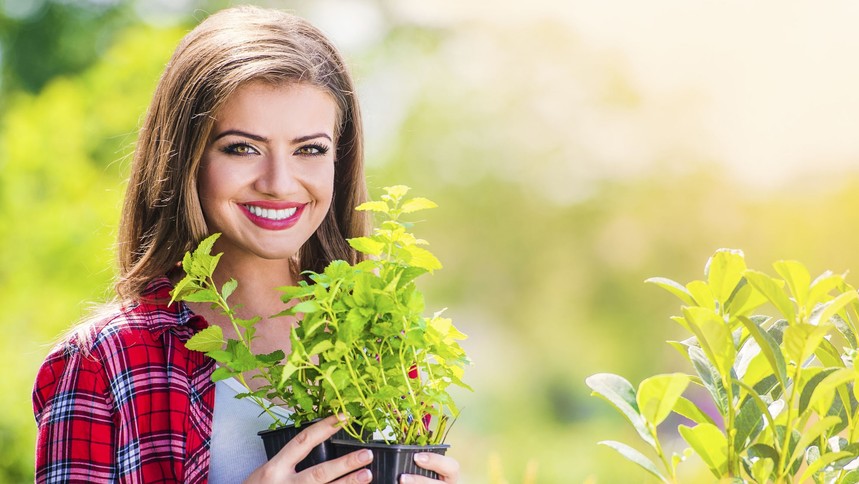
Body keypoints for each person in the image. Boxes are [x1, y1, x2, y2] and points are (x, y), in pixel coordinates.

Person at [31, 6, 460, 484]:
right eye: (242, 148)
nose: (279, 183)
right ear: (186, 158)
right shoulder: (105, 361)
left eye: (310, 149)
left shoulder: (384, 347)